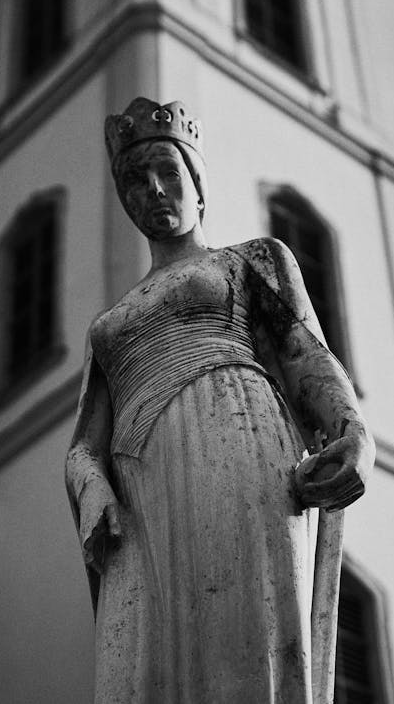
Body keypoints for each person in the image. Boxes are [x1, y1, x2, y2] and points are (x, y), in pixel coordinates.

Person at [65, 97, 374, 702]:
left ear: (197, 184)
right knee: (141, 664)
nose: (152, 191)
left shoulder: (252, 260)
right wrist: (91, 487)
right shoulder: (107, 325)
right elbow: (82, 446)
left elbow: (306, 356)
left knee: (244, 632)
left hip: (236, 438)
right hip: (138, 481)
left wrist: (353, 432)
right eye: (134, 181)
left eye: (167, 173)